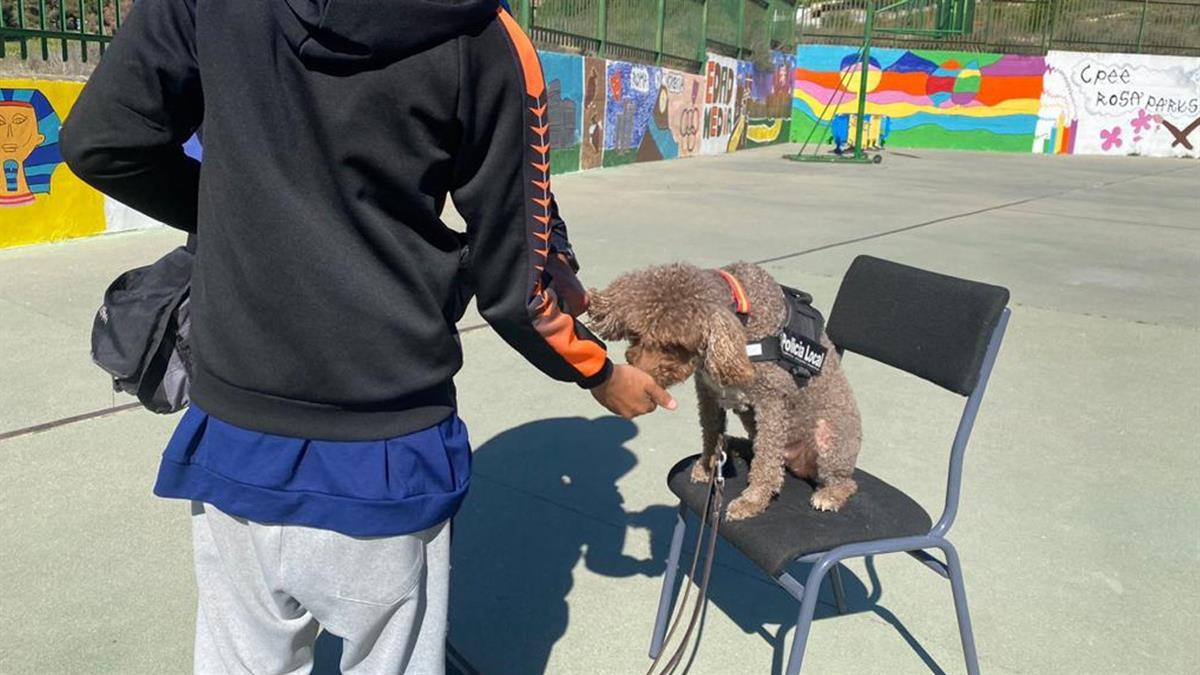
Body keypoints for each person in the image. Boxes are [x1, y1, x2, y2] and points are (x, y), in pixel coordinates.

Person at [60, 1, 675, 672]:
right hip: (388, 440)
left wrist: (240, 218)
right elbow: (517, 286)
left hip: (236, 430)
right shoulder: (485, 37)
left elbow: (102, 139)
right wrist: (602, 374)